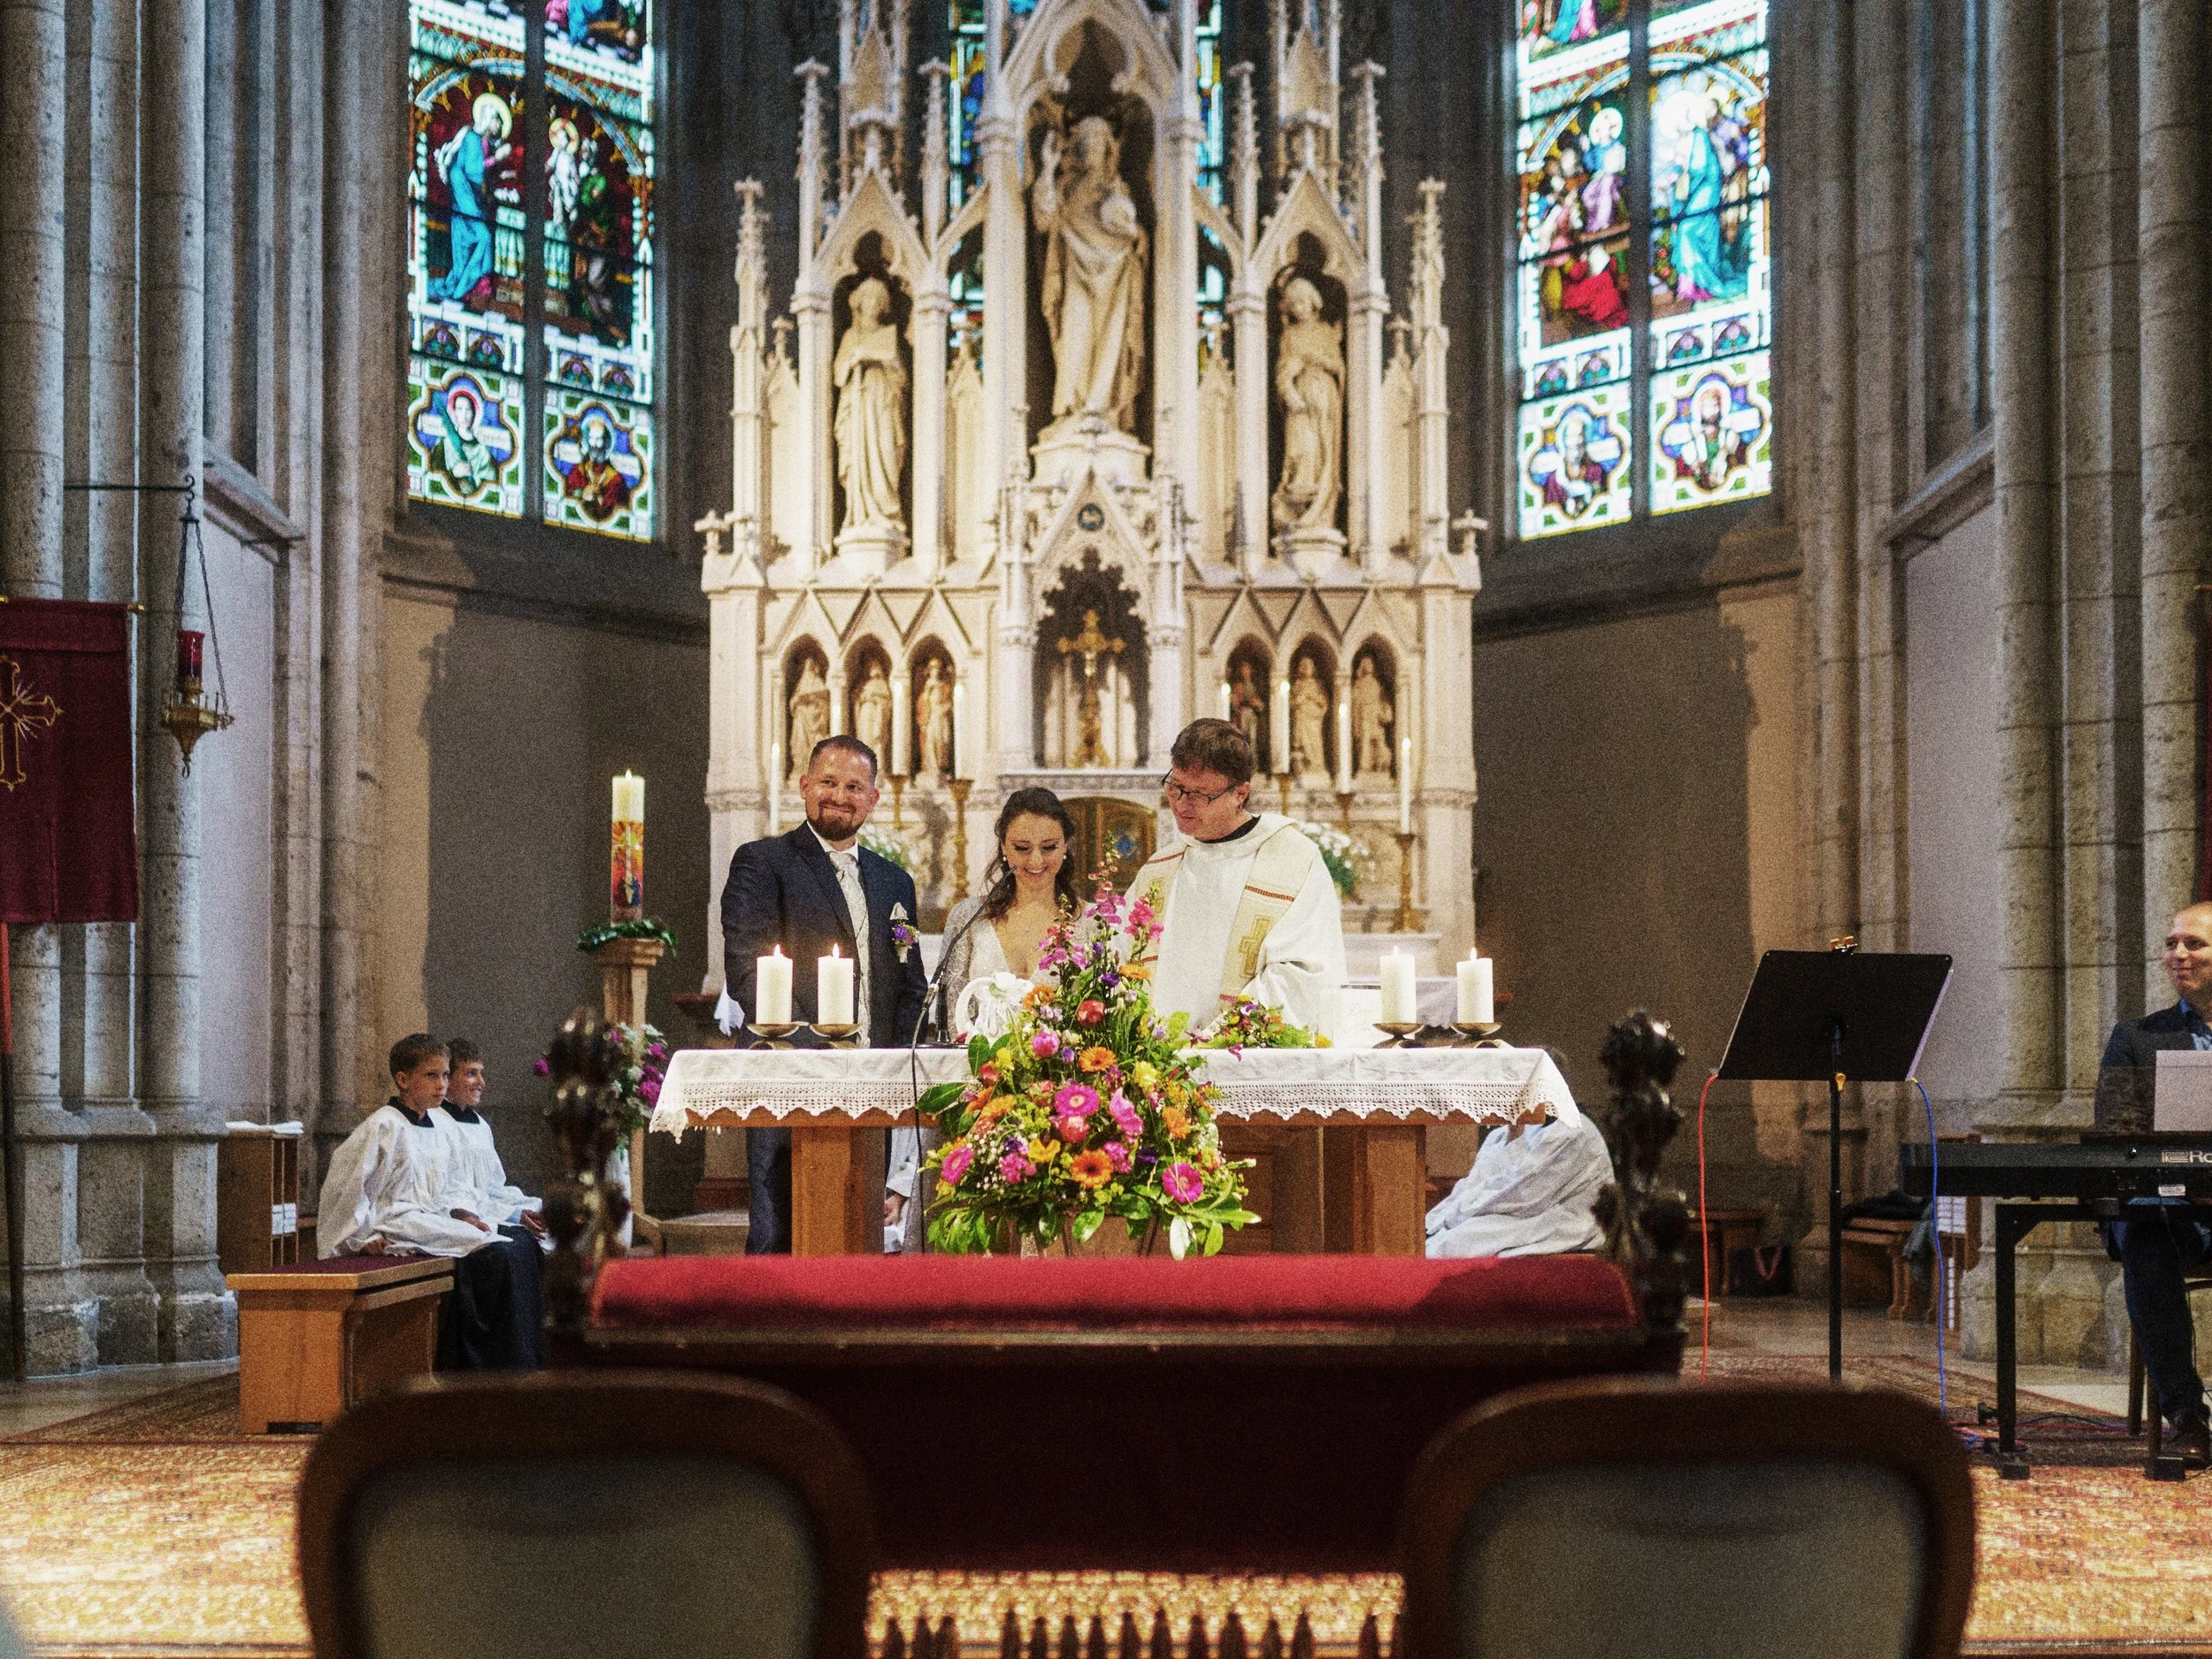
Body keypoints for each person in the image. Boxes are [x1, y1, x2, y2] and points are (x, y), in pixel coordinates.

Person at [718, 734, 929, 1253]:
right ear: (804, 786)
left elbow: (910, 984)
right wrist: (816, 1061)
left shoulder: (894, 881)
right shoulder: (764, 862)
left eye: (854, 786)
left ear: (874, 798)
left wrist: (894, 1068)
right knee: (779, 1232)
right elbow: (749, 970)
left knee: (858, 1232)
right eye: (829, 783)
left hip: (872, 1091)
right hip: (790, 1079)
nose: (840, 796)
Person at [890, 788, 1081, 1249]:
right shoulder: (968, 918)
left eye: (1049, 847)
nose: (1035, 860)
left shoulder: (1089, 924)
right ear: (1001, 846)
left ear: (1067, 847)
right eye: (1021, 848)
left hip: (1057, 1110)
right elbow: (950, 1016)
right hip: (972, 1101)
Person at [317, 1033, 543, 1369]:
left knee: (517, 1244)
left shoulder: (439, 1127)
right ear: (403, 1079)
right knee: (494, 1251)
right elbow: (348, 1188)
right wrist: (359, 1238)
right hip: (393, 1219)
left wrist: (463, 1212)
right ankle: (474, 1363)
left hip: (432, 1216)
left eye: (445, 1075)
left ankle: (519, 1360)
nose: (441, 1085)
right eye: (432, 1076)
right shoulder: (382, 1126)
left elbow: (454, 1183)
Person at [1125, 718, 1346, 1038]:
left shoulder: (1294, 861)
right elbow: (1119, 958)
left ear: (1240, 793)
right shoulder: (1161, 868)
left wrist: (1215, 1041)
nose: (1181, 804)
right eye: (1175, 787)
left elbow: (1300, 974)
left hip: (1245, 1060)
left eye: (1200, 795)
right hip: (1159, 1065)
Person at [2096, 901, 2212, 1467]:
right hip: (2166, 1208)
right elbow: (2117, 1140)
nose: (2177, 956)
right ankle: (2187, 1415)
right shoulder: (2138, 1038)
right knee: (2143, 1237)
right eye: (2172, 944)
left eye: (2194, 944)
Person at [1425, 1079, 1612, 1258]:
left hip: (1561, 1219)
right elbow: (1474, 1183)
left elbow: (1527, 1196)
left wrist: (1458, 1214)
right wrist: (1441, 1217)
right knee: (1432, 1234)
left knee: (1460, 1240)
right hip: (1515, 1212)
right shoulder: (1500, 1134)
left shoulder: (1572, 1129)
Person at [437, 1037, 545, 1242]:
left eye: (481, 1073)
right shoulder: (436, 1123)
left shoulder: (481, 1125)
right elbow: (453, 1193)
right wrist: (512, 1214)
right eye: (471, 1074)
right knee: (520, 1243)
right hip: (462, 1216)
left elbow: (493, 1187)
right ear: (448, 1079)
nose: (481, 1082)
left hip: (489, 1209)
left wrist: (522, 1209)